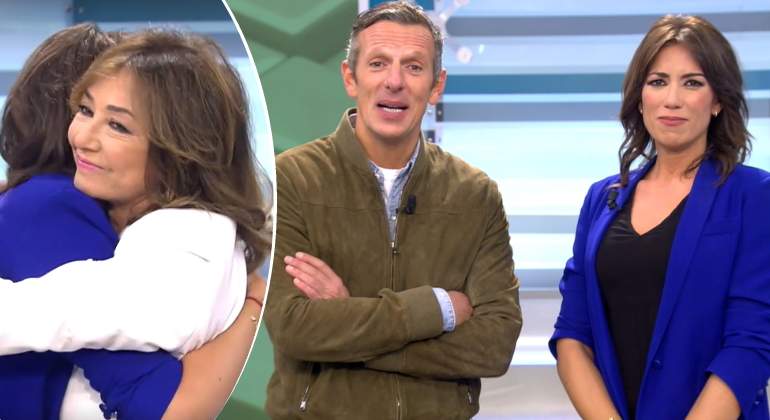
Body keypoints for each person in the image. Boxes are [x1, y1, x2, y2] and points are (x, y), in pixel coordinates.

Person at [264, 2, 522, 419]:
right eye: (378, 64)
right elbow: (293, 327)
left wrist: (348, 320)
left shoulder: (476, 195)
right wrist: (435, 309)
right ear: (351, 77)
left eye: (414, 67)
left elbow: (494, 345)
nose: (395, 82)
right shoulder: (293, 178)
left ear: (437, 85)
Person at [0, 26, 269, 419]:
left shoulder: (185, 241)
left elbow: (53, 312)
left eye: (118, 126)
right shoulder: (178, 231)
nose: (83, 137)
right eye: (85, 110)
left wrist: (256, 304)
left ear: (181, 150)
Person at [550, 14, 770, 420]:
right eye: (657, 81)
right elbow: (572, 336)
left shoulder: (754, 195)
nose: (672, 99)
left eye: (693, 83)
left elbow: (751, 344)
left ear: (718, 101)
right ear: (640, 98)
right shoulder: (601, 199)